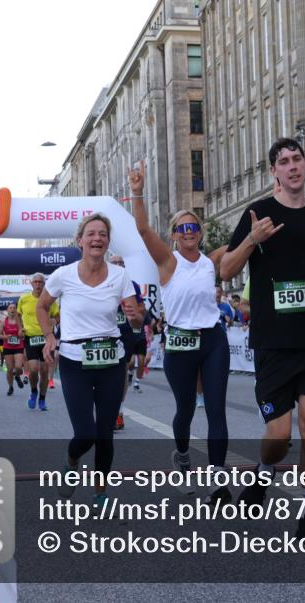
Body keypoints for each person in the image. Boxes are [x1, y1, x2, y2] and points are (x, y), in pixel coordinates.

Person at [220, 137, 305, 539]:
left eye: (297, 159)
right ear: (274, 172)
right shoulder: (258, 213)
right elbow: (225, 270)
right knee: (278, 436)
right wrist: (251, 240)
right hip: (274, 339)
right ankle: (263, 470)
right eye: (283, 162)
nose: (292, 166)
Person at [128, 161, 232, 501]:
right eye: (182, 228)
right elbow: (142, 230)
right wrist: (138, 192)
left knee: (216, 407)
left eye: (194, 227)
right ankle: (183, 457)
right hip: (179, 342)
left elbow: (244, 244)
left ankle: (219, 479)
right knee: (186, 409)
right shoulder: (168, 261)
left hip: (213, 339)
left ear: (200, 233)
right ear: (174, 234)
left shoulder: (211, 261)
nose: (189, 232)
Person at [36, 213, 144, 507]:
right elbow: (43, 306)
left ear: (108, 242)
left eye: (103, 234)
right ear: (80, 240)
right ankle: (72, 462)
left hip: (112, 360)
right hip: (74, 360)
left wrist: (137, 319)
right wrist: (49, 337)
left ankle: (100, 493)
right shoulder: (63, 275)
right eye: (91, 233)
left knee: (105, 433)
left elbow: (136, 321)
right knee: (85, 434)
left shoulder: (121, 276)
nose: (97, 238)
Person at [108, 255, 149, 431]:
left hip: (124, 333)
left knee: (122, 373)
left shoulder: (132, 285)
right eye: (115, 263)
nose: (118, 266)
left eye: (121, 263)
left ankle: (118, 411)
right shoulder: (100, 282)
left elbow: (141, 309)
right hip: (103, 333)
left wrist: (135, 312)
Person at [19, 273, 59, 410]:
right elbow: (19, 314)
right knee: (34, 368)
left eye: (40, 282)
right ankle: (34, 391)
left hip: (46, 337)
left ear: (44, 284)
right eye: (35, 282)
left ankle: (42, 398)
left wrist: (55, 320)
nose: (38, 284)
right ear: (31, 284)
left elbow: (58, 316)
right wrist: (20, 328)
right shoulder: (23, 299)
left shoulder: (50, 300)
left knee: (44, 370)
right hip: (31, 337)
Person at [0, 303, 26, 396]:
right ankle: (11, 386)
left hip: (19, 346)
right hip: (8, 347)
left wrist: (21, 334)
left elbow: (24, 334)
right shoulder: (3, 322)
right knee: (9, 369)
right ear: (7, 310)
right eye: (11, 308)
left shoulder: (20, 321)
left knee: (18, 367)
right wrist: (5, 336)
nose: (12, 309)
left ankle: (17, 376)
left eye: (14, 308)